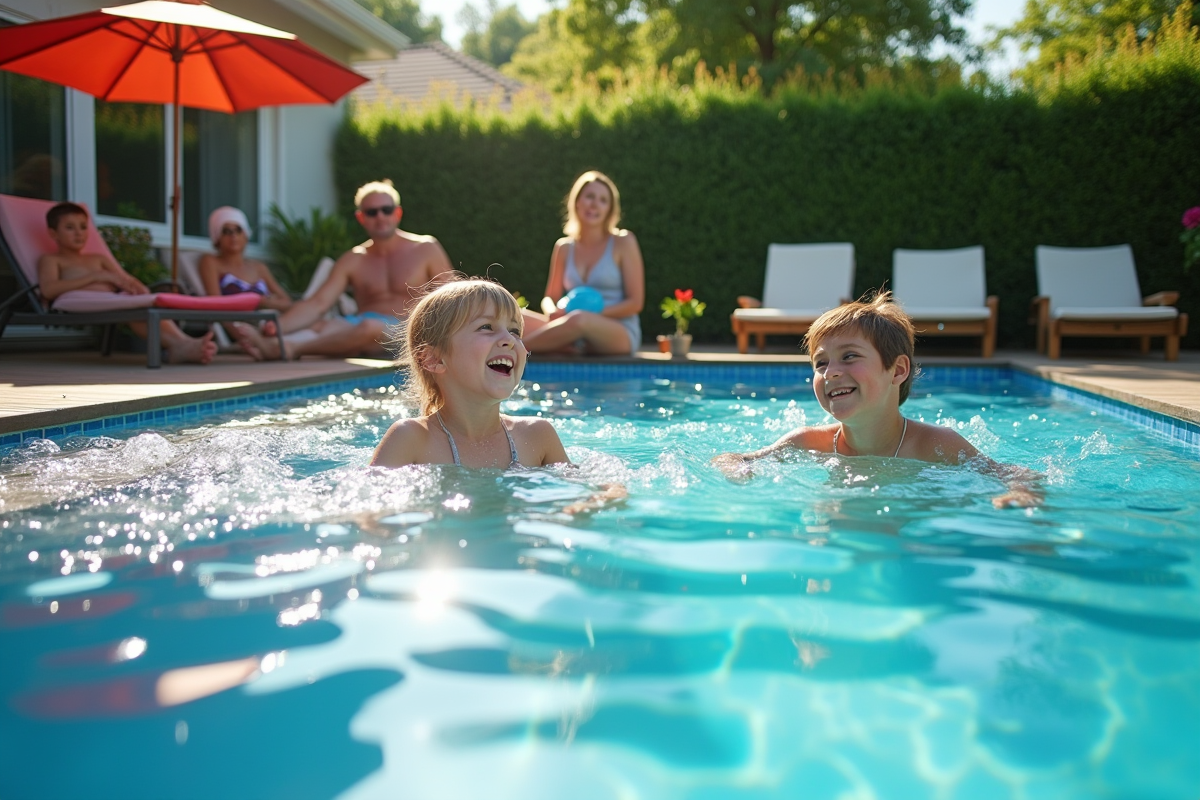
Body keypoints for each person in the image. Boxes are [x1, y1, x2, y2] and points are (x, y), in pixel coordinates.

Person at [712, 293, 1042, 508]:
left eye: (849, 356)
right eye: (820, 363)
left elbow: (1017, 473)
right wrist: (738, 472)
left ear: (897, 370)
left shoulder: (936, 445)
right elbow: (734, 458)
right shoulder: (809, 442)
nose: (830, 373)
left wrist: (1021, 492)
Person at [231, 180, 453, 360]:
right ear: (361, 217)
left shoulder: (425, 248)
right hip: (361, 324)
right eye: (372, 212)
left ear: (397, 213)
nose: (380, 217)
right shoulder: (353, 259)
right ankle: (271, 343)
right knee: (322, 326)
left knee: (368, 328)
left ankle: (291, 349)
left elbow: (452, 298)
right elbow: (317, 304)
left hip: (408, 328)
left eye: (386, 210)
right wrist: (276, 326)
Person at [371, 276, 569, 468]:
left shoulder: (537, 435)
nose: (509, 340)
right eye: (486, 327)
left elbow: (582, 496)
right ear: (434, 359)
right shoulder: (411, 439)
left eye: (515, 331)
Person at [36, 202, 217, 364]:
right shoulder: (52, 260)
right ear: (53, 233)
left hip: (112, 300)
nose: (79, 233)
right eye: (70, 227)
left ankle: (181, 344)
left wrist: (140, 290)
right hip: (76, 301)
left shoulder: (97, 258)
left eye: (83, 227)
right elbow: (49, 290)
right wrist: (96, 277)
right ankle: (183, 344)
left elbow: (125, 278)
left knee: (140, 308)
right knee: (133, 307)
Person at [520, 170, 644, 355]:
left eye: (603, 200)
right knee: (514, 316)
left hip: (618, 330)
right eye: (590, 196)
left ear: (610, 209)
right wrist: (553, 311)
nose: (595, 204)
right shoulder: (563, 247)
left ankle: (517, 351)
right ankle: (567, 344)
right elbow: (550, 298)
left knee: (580, 320)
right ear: (577, 201)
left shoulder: (624, 242)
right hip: (571, 323)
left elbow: (635, 303)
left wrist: (588, 317)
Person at [197, 206, 292, 311]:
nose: (233, 236)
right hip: (234, 322)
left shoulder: (259, 267)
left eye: (238, 230)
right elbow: (215, 303)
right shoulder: (211, 262)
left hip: (269, 322)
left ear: (246, 235)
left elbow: (286, 302)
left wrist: (263, 302)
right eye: (226, 231)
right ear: (217, 238)